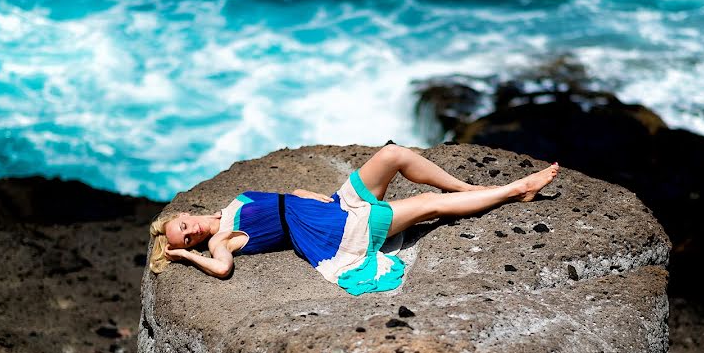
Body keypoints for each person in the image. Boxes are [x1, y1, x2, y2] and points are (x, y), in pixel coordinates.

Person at [149, 142, 559, 295]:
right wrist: (188, 259)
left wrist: (310, 196)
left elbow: (284, 200)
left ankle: (468, 190)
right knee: (424, 205)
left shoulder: (232, 204)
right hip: (336, 232)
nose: (191, 234)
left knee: (392, 154)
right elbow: (222, 269)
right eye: (187, 241)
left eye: (183, 228)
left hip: (333, 206)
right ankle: (513, 191)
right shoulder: (221, 240)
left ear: (184, 215)